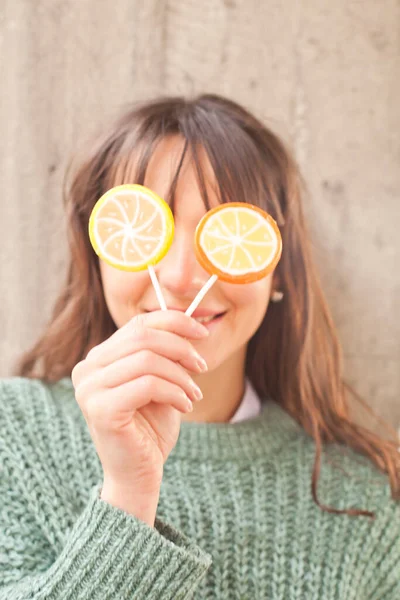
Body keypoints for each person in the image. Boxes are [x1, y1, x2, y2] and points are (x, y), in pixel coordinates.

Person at [0, 94, 398, 600]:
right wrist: (129, 495)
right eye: (147, 229)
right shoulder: (11, 437)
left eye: (226, 231)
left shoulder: (363, 498)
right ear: (97, 257)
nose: (182, 277)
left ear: (278, 272)